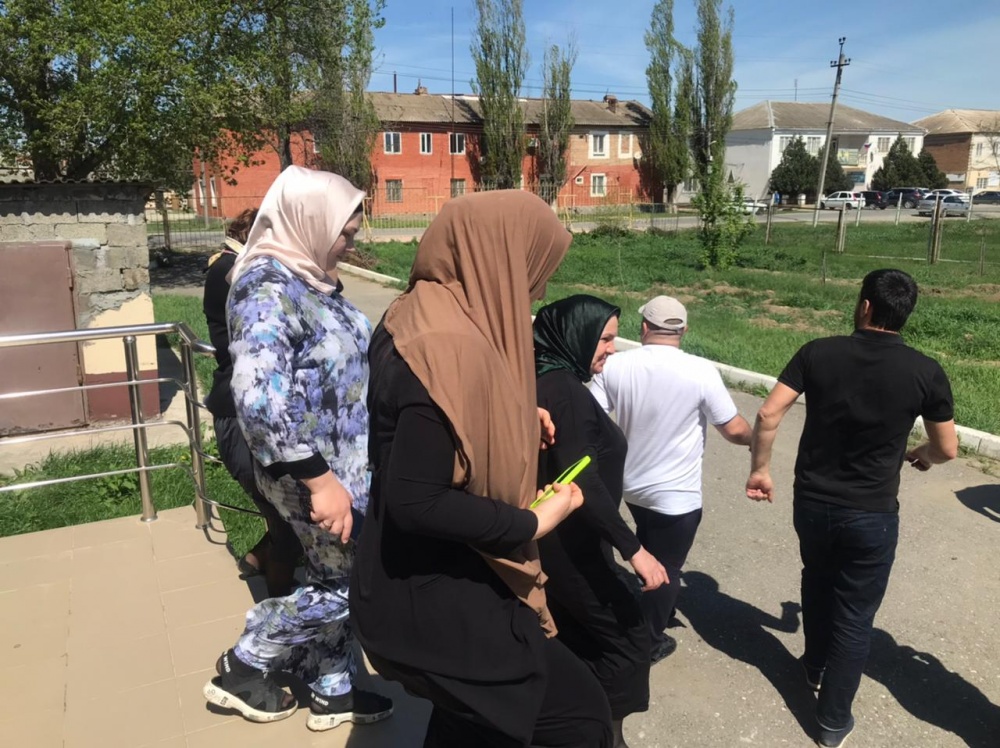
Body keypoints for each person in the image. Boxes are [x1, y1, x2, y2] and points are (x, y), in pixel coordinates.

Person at [350, 191, 614, 747]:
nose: (538, 288)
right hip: (439, 596)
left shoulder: (417, 312)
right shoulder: (448, 348)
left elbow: (426, 422)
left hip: (401, 578)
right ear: (500, 258)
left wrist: (512, 415)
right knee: (580, 717)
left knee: (470, 722)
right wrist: (534, 521)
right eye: (534, 267)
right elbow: (418, 500)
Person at [202, 166, 393, 732]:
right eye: (345, 233)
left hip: (343, 469)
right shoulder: (266, 286)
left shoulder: (311, 280)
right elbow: (259, 398)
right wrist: (320, 481)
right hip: (310, 474)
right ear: (310, 221)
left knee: (330, 574)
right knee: (353, 583)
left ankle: (332, 687)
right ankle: (245, 662)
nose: (351, 244)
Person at [745, 269, 958, 748]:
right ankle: (832, 722)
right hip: (872, 513)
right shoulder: (925, 371)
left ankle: (813, 665)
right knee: (855, 615)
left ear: (864, 306)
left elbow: (768, 412)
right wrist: (921, 455)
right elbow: (947, 449)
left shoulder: (817, 352)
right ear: (905, 315)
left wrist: (760, 470)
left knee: (817, 579)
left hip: (813, 502)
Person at [532, 294, 668, 748]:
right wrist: (635, 549)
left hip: (558, 540)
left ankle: (572, 727)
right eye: (605, 338)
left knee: (575, 634)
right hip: (571, 543)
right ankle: (604, 736)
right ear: (576, 335)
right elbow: (580, 474)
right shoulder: (564, 391)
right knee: (627, 637)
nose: (612, 348)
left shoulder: (545, 379)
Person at [591, 296, 752, 663]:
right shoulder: (701, 370)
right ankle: (646, 643)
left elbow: (593, 417)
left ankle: (647, 608)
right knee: (667, 568)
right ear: (684, 330)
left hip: (631, 487)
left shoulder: (615, 366)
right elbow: (733, 429)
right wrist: (757, 440)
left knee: (649, 548)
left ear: (644, 327)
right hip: (676, 496)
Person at [203, 207, 301, 597]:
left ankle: (259, 561)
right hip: (242, 415)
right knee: (286, 520)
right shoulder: (231, 271)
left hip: (252, 411)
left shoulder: (237, 267)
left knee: (287, 516)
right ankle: (281, 604)